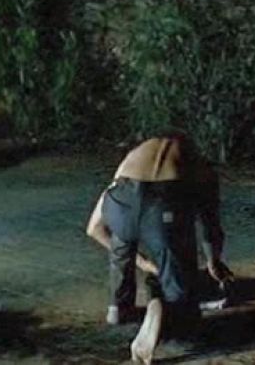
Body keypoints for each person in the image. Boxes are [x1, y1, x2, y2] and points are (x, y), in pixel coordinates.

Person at [85, 133, 233, 364]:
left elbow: (94, 229)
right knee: (179, 285)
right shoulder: (199, 165)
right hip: (163, 209)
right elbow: (209, 224)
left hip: (122, 201)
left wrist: (142, 262)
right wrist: (213, 261)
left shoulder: (132, 159)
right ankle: (163, 306)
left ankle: (119, 308)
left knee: (121, 243)